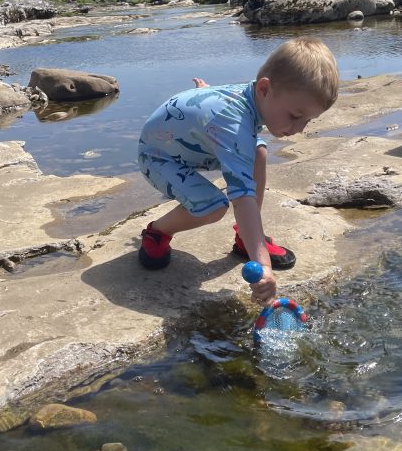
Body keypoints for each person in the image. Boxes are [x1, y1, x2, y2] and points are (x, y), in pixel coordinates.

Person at [137, 38, 339, 304]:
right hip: (159, 156)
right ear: (265, 89)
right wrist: (263, 266)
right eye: (294, 116)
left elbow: (214, 102)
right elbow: (241, 198)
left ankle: (247, 238)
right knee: (213, 206)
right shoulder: (231, 124)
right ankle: (157, 232)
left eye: (308, 121)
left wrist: (202, 92)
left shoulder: (254, 97)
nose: (299, 129)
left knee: (258, 150)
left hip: (194, 146)